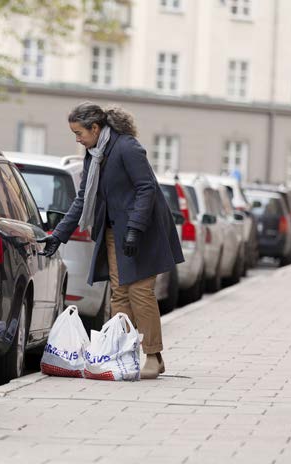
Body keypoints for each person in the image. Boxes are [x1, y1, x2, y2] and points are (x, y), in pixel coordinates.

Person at [38, 102, 184, 379]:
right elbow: (83, 198)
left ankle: (153, 356)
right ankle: (123, 354)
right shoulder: (94, 154)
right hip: (114, 230)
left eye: (79, 132)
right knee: (119, 292)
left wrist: (135, 229)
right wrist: (59, 235)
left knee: (140, 291)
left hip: (143, 230)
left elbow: (146, 189)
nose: (77, 139)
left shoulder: (127, 148)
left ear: (96, 128)